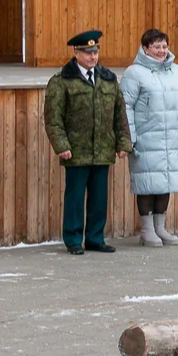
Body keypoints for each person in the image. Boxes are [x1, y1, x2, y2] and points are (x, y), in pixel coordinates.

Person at [43, 30, 132, 255]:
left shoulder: (108, 79)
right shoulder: (62, 81)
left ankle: (95, 238)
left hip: (102, 148)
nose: (92, 56)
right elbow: (53, 118)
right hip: (76, 149)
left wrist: (123, 143)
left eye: (95, 51)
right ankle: (73, 239)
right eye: (87, 52)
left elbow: (119, 114)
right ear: (76, 53)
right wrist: (61, 145)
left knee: (99, 197)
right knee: (74, 197)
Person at [121, 29, 178, 247]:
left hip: (171, 137)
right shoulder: (134, 73)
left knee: (165, 182)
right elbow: (125, 108)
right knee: (147, 183)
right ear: (145, 48)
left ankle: (160, 228)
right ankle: (146, 230)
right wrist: (129, 138)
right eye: (156, 47)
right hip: (146, 138)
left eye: (164, 46)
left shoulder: (177, 71)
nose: (162, 51)